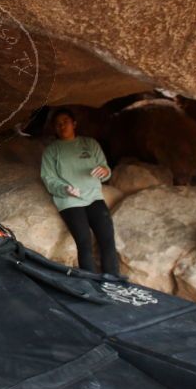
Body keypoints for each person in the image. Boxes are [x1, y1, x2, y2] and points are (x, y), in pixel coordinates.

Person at [40, 108, 120, 276]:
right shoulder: (51, 151)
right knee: (84, 243)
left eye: (66, 122)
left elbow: (105, 168)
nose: (62, 126)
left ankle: (114, 280)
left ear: (74, 124)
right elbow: (49, 178)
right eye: (58, 124)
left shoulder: (89, 144)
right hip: (69, 201)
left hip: (94, 197)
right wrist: (64, 188)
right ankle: (89, 283)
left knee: (107, 239)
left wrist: (105, 172)